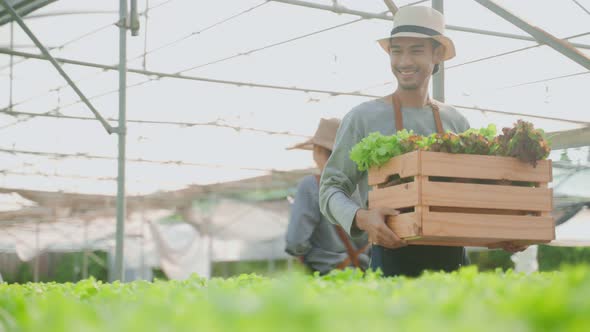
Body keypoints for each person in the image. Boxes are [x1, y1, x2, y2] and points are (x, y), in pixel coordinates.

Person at [319, 6, 526, 277]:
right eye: (397, 51)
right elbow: (331, 188)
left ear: (437, 54)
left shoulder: (457, 123)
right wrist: (361, 217)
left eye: (416, 50)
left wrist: (501, 230)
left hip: (453, 259)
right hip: (391, 256)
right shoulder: (363, 118)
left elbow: (473, 195)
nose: (404, 61)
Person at [285, 118, 369, 275]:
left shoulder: (311, 185)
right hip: (365, 277)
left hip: (327, 279)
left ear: (317, 150)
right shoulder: (364, 186)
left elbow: (295, 242)